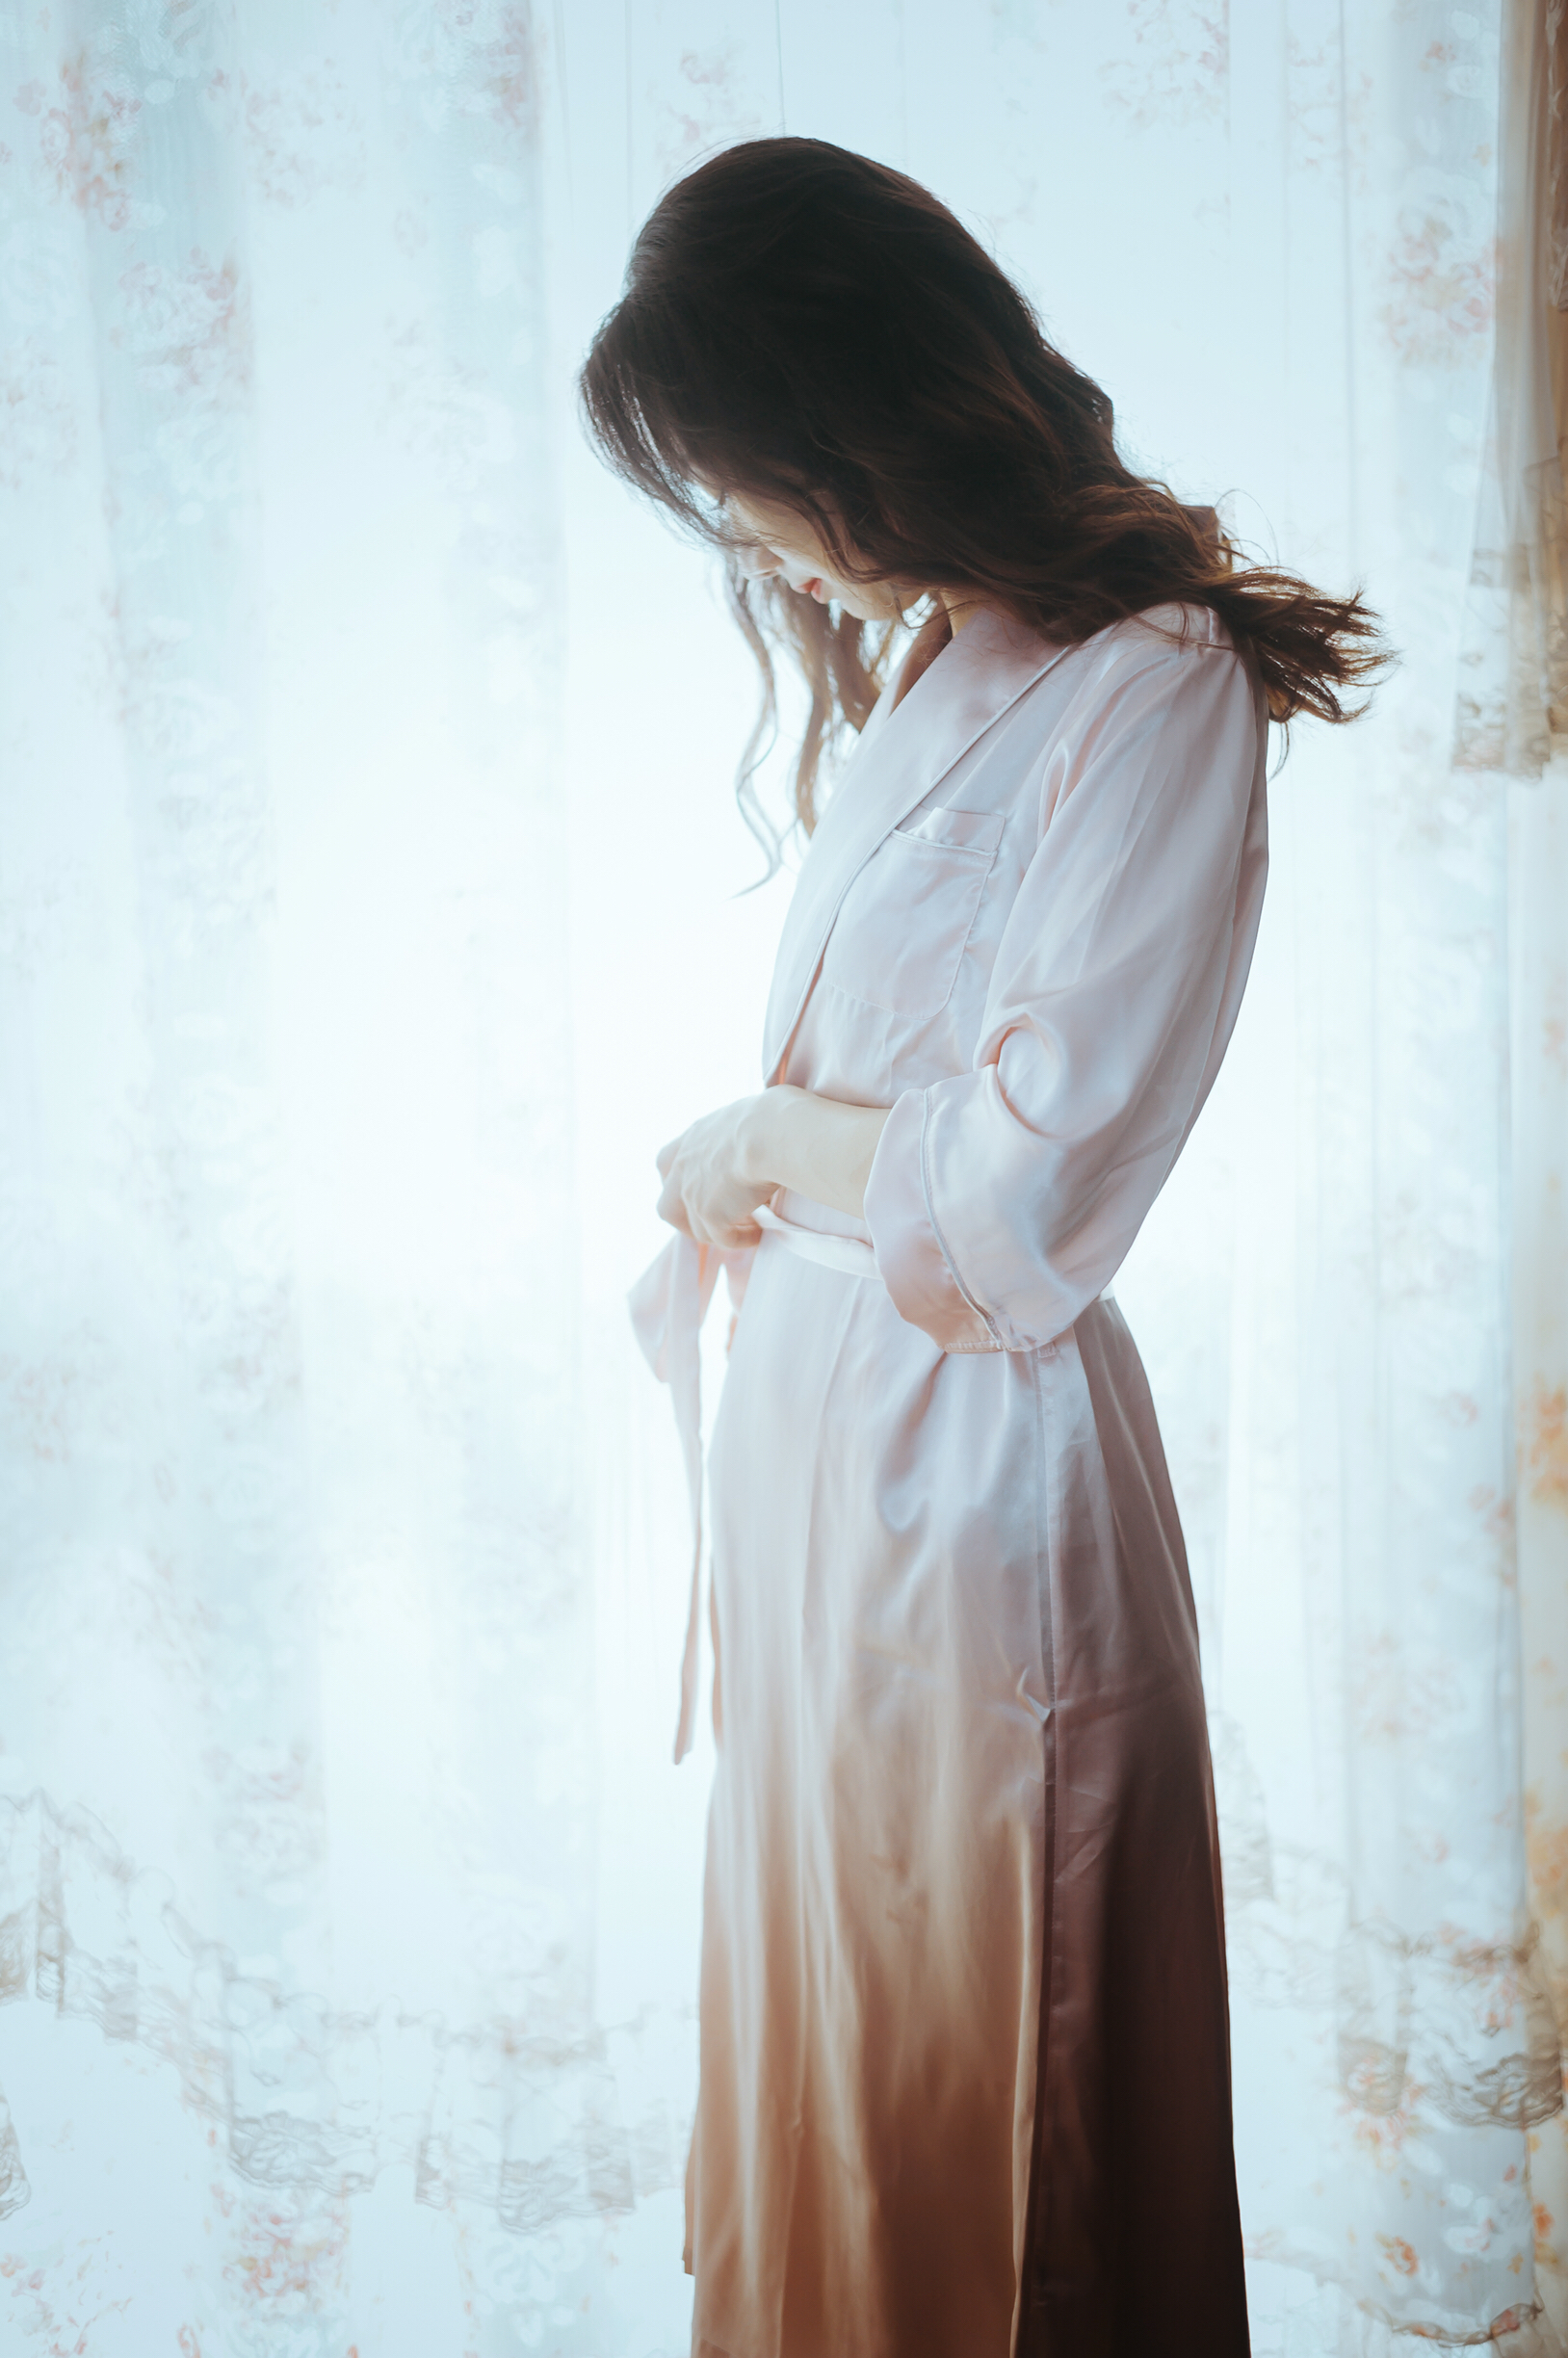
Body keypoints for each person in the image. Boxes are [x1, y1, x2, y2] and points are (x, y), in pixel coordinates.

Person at [582, 137, 1384, 2358]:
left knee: (995, 2093)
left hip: (972, 1480)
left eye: (739, 475)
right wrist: (779, 1170)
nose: (738, 529)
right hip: (822, 1460)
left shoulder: (1152, 680)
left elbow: (1028, 1196)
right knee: (841, 2065)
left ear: (854, 416)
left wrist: (763, 1138)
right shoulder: (941, 657)